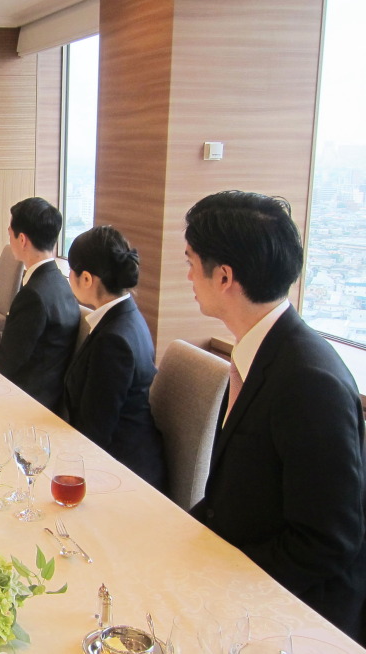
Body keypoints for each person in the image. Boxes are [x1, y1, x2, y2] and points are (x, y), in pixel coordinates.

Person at [185, 190, 366, 642]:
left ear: (224, 276)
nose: (188, 276)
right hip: (239, 568)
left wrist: (221, 575)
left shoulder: (309, 381)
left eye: (191, 262)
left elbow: (326, 543)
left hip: (293, 615)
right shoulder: (261, 350)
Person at [63, 225, 167, 491]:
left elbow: (95, 430)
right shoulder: (127, 315)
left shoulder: (113, 340)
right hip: (118, 453)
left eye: (71, 271)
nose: (68, 277)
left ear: (87, 279)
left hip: (125, 471)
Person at [0, 198, 81, 414]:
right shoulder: (60, 282)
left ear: (22, 239)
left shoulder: (34, 296)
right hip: (52, 395)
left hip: (29, 401)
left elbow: (8, 360)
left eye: (10, 233)